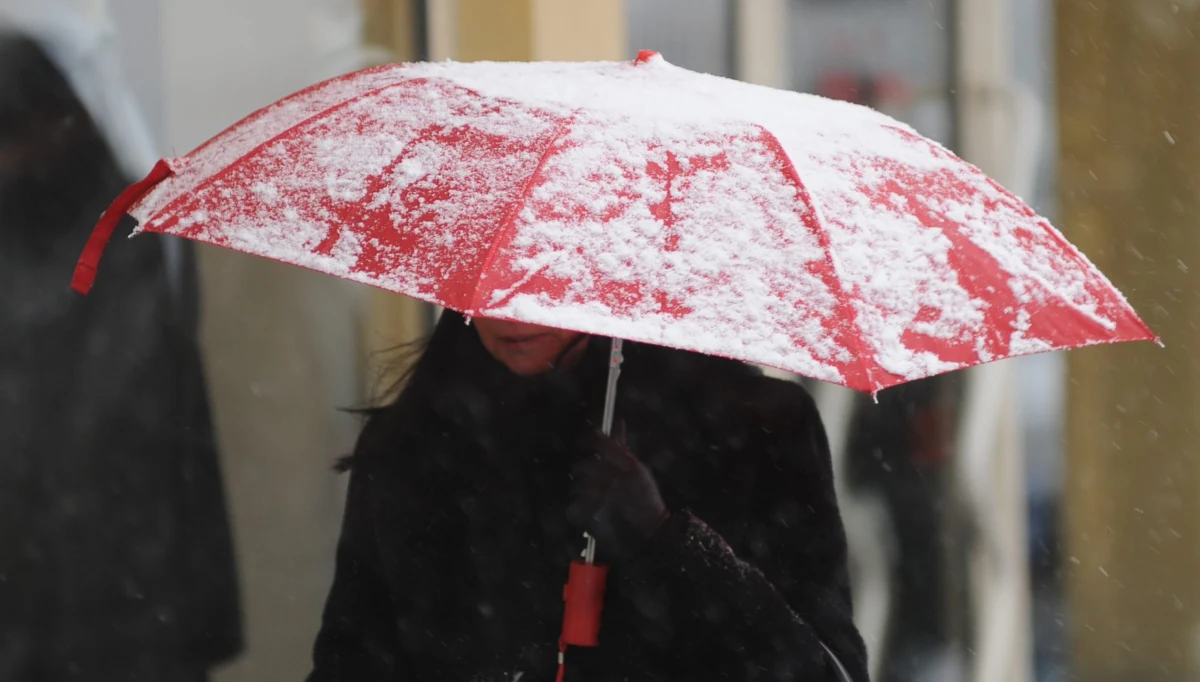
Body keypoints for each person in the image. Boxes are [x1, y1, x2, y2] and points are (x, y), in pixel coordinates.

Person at [308, 311, 868, 681]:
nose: (508, 310)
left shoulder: (754, 431)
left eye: (541, 267)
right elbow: (352, 660)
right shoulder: (413, 445)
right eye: (497, 274)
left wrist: (666, 542)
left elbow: (823, 671)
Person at [0, 33, 242, 681]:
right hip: (116, 599)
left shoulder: (123, 250)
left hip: (115, 598)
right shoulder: (121, 244)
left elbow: (159, 443)